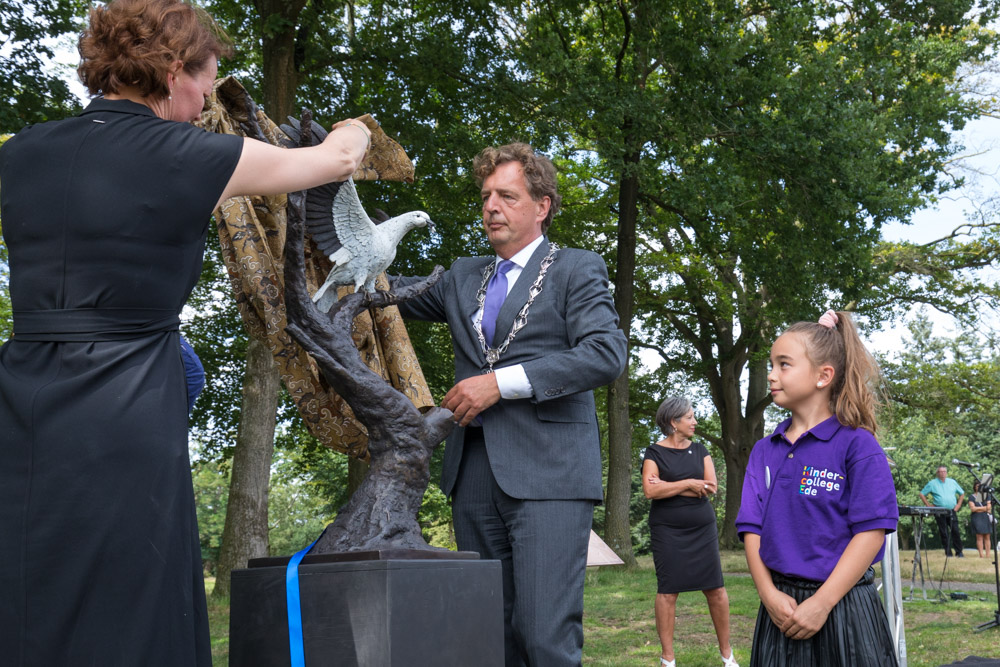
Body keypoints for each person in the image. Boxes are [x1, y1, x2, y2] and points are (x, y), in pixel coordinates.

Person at [0, 0, 373, 664]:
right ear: (173, 71)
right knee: (132, 595)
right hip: (128, 402)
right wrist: (354, 130)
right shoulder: (189, 154)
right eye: (204, 78)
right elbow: (331, 162)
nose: (207, 97)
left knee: (34, 582)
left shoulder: (23, 152)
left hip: (22, 399)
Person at [395, 142, 627, 666]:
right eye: (484, 197)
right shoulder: (460, 276)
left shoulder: (576, 268)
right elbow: (387, 290)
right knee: (488, 639)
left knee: (544, 636)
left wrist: (500, 383)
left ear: (542, 205)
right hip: (471, 475)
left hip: (551, 475)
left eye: (506, 195)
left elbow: (605, 354)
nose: (491, 207)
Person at [735, 310, 899, 667]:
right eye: (771, 365)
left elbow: (872, 533)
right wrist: (768, 596)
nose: (772, 375)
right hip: (780, 611)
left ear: (824, 376)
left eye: (784, 364)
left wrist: (822, 604)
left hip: (845, 609)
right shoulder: (765, 450)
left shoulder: (857, 444)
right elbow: (752, 530)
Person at [642, 396, 738, 667]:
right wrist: (688, 483)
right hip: (667, 529)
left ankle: (727, 656)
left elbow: (711, 487)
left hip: (701, 527)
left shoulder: (700, 450)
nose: (695, 422)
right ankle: (668, 659)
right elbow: (650, 490)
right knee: (668, 591)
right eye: (689, 417)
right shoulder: (654, 452)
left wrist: (669, 485)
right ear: (674, 422)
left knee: (716, 590)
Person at [919, 465, 966, 557]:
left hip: (952, 510)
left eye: (944, 471)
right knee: (943, 532)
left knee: (955, 530)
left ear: (947, 473)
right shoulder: (932, 483)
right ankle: (948, 552)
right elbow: (922, 494)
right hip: (939, 510)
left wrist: (958, 505)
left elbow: (962, 493)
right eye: (941, 471)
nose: (943, 473)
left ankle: (959, 552)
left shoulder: (952, 482)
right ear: (937, 473)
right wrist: (928, 506)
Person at [968, 480, 994, 558]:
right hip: (977, 517)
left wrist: (979, 508)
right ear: (974, 487)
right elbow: (973, 509)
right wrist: (985, 508)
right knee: (979, 536)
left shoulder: (987, 496)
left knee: (987, 536)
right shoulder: (972, 497)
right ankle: (981, 555)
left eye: (980, 486)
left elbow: (989, 507)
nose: (979, 487)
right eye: (977, 486)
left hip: (985, 517)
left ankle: (988, 555)